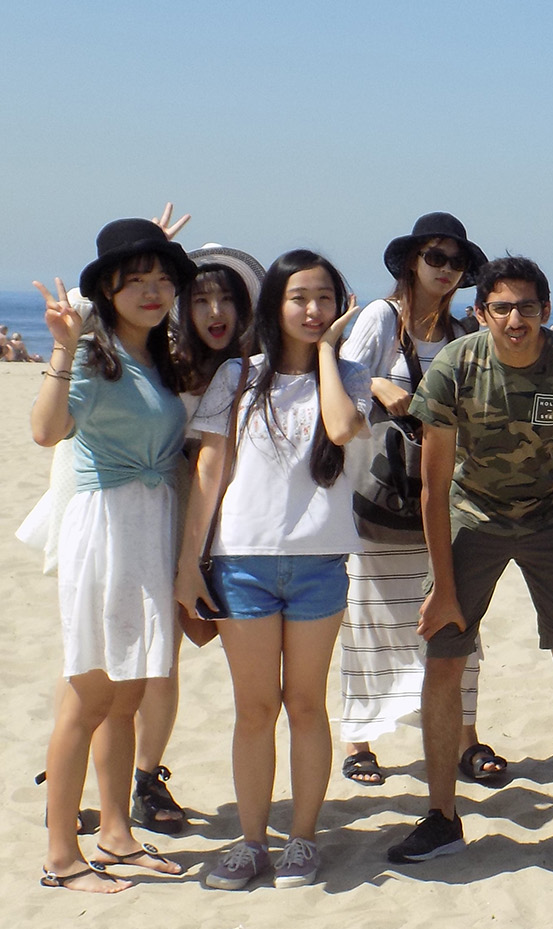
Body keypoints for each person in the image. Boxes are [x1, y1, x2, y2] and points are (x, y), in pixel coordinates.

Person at [387, 256, 553, 865]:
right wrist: (443, 587)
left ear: (546, 311)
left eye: (526, 306)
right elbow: (434, 483)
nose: (515, 318)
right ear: (481, 312)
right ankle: (441, 815)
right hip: (475, 514)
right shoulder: (457, 365)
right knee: (445, 660)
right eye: (501, 307)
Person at [177, 250, 374, 890]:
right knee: (255, 709)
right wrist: (189, 564)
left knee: (308, 705)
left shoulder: (349, 374)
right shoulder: (237, 376)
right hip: (244, 561)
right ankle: (251, 840)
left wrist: (326, 353)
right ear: (275, 305)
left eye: (324, 298)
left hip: (319, 563)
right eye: (299, 298)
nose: (312, 310)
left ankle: (305, 838)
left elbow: (342, 430)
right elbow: (210, 471)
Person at [29, 218, 194, 893]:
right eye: (136, 282)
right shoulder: (95, 358)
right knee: (88, 697)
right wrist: (64, 347)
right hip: (107, 529)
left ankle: (118, 833)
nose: (153, 292)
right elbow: (45, 432)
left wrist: (143, 245)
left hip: (152, 526)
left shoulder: (160, 356)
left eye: (163, 281)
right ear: (108, 293)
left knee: (127, 695)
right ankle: (62, 855)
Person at [335, 213, 499, 788]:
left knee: (458, 620)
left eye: (455, 262)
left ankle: (464, 738)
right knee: (372, 620)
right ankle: (359, 741)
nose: (446, 270)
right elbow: (342, 384)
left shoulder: (462, 338)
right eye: (436, 257)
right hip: (382, 498)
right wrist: (378, 384)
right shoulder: (382, 319)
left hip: (450, 502)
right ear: (411, 262)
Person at [113, 242, 261, 837]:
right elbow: (90, 316)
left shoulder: (260, 368)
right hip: (156, 510)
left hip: (232, 523)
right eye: (201, 298)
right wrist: (140, 244)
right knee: (148, 655)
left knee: (179, 659)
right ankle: (128, 775)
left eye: (228, 298)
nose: (215, 310)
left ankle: (145, 773)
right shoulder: (157, 359)